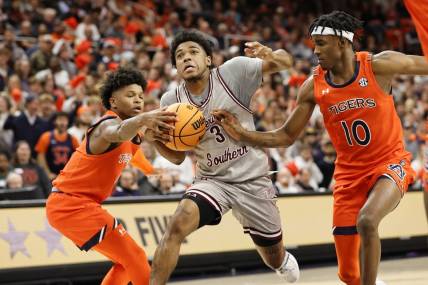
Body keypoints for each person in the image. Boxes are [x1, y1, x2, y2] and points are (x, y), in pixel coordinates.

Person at [213, 11, 428, 285]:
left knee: (367, 221)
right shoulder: (313, 86)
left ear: (343, 43)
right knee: (350, 275)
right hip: (349, 176)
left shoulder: (379, 65)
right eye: (314, 43)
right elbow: (284, 136)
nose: (315, 50)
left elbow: (421, 64)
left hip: (390, 163)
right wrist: (241, 133)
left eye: (322, 43)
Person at [149, 30, 299, 285]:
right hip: (212, 181)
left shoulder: (233, 73)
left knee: (273, 256)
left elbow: (287, 62)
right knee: (176, 226)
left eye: (193, 52)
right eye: (179, 55)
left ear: (208, 59)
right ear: (174, 66)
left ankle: (282, 260)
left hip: (252, 179)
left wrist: (271, 54)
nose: (186, 58)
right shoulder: (170, 101)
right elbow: (176, 158)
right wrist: (154, 139)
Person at [45, 67, 177, 285]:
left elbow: (132, 154)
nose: (138, 100)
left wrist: (152, 171)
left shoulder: (133, 134)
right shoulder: (106, 125)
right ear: (113, 102)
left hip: (79, 205)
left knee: (124, 262)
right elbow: (116, 133)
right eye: (130, 95)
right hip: (71, 204)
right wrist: (144, 119)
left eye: (141, 96)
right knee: (136, 257)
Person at [36, 112, 80, 180]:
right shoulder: (46, 136)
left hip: (67, 176)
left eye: (64, 120)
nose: (62, 123)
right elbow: (40, 157)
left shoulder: (73, 139)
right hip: (50, 176)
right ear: (55, 122)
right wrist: (47, 173)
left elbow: (78, 157)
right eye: (60, 120)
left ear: (68, 122)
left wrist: (71, 173)